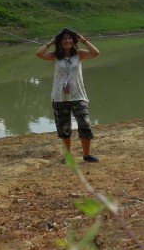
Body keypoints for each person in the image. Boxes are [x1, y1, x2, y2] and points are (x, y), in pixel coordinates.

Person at [35, 27, 101, 163]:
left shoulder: (80, 54)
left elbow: (96, 53)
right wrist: (51, 42)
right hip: (60, 97)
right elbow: (39, 54)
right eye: (64, 38)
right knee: (64, 129)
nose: (67, 40)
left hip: (78, 96)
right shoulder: (55, 56)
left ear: (73, 40)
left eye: (70, 38)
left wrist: (84, 40)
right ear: (60, 41)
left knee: (85, 124)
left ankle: (87, 155)